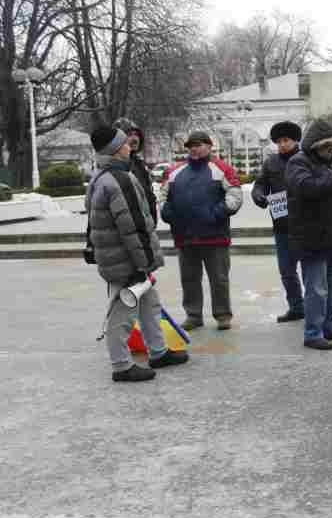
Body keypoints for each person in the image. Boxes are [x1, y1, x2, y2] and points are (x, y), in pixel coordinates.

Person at [87, 125, 189, 382]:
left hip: (119, 257)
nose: (128, 146)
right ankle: (121, 365)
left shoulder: (101, 176)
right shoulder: (120, 179)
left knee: (149, 304)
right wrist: (143, 264)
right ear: (114, 149)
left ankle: (158, 351)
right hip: (127, 261)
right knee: (123, 313)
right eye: (123, 143)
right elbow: (133, 226)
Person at [285, 120, 332, 351]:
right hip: (311, 237)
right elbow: (304, 187)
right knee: (317, 288)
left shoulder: (330, 163)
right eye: (327, 148)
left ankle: (327, 324)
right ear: (316, 146)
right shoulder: (298, 162)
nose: (330, 152)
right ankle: (312, 332)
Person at [161, 131, 243, 331]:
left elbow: (235, 195)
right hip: (185, 237)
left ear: (209, 146)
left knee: (219, 279)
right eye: (191, 146)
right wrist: (168, 212)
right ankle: (193, 315)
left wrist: (216, 214)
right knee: (189, 280)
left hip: (214, 236)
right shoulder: (174, 172)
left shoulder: (223, 169)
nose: (194, 149)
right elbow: (163, 197)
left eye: (198, 145)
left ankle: (223, 315)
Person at [252, 121, 305, 323]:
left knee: (310, 272)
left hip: (305, 225)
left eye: (287, 140)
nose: (283, 144)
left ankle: (314, 308)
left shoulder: (306, 159)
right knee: (287, 271)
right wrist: (258, 196)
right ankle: (296, 307)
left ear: (295, 140)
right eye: (279, 141)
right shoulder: (271, 163)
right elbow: (260, 184)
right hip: (282, 226)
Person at [111, 117, 158, 227]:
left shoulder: (139, 164)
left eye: (136, 134)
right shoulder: (114, 165)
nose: (135, 138)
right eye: (129, 134)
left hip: (145, 228)